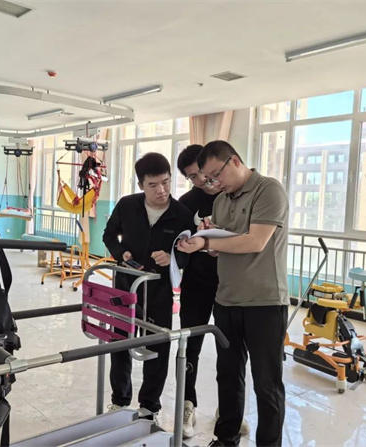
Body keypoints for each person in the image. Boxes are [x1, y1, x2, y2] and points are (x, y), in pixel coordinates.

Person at [177, 140, 290, 447]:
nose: (213, 183)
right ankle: (225, 439)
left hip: (264, 302)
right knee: (228, 375)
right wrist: (206, 239)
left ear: (235, 161)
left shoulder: (268, 190)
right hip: (226, 300)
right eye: (207, 178)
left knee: (266, 383)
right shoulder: (221, 201)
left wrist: (207, 243)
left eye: (216, 175)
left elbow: (255, 242)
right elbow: (222, 248)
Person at [103, 152, 193, 420]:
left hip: (159, 291)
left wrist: (173, 257)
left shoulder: (181, 214)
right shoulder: (127, 205)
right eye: (153, 185)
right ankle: (120, 400)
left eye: (166, 182)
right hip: (125, 288)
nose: (161, 190)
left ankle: (149, 406)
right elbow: (109, 235)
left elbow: (190, 252)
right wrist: (120, 253)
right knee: (120, 343)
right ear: (141, 184)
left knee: (157, 348)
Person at [176, 144, 249, 438]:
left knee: (231, 350)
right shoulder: (185, 203)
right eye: (192, 177)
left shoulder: (232, 195)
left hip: (230, 284)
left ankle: (229, 411)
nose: (202, 180)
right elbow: (178, 246)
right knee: (189, 346)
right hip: (196, 285)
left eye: (203, 173)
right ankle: (187, 404)